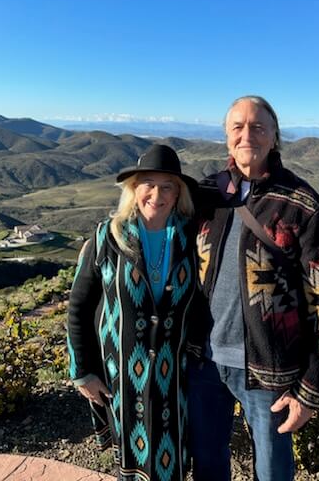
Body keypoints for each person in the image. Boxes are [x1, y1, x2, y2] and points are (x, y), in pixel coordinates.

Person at [188, 96, 319, 481]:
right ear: (226, 137)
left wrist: (311, 390)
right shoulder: (208, 193)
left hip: (270, 370)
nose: (246, 134)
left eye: (257, 126)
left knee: (272, 471)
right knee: (207, 463)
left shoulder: (302, 205)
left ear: (275, 136)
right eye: (237, 127)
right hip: (203, 360)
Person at [67, 144, 198, 481]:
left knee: (172, 465)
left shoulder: (192, 240)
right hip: (121, 377)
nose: (157, 194)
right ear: (133, 189)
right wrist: (82, 370)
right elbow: (79, 306)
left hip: (174, 380)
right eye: (148, 184)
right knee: (131, 463)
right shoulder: (106, 238)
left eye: (168, 185)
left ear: (178, 193)